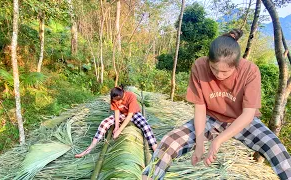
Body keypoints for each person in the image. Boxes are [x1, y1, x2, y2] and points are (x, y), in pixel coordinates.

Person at [142, 29, 291, 180]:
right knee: (170, 142)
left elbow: (248, 114)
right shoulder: (199, 66)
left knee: (276, 149)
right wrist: (199, 144)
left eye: (225, 72)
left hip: (241, 120)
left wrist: (218, 140)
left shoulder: (250, 71)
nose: (219, 76)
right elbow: (200, 107)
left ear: (237, 65)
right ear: (208, 60)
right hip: (210, 118)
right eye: (214, 69)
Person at [75, 86, 157, 158]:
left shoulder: (131, 96)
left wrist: (119, 131)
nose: (116, 103)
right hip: (122, 114)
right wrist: (116, 126)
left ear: (122, 96)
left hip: (134, 113)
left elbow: (129, 116)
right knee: (104, 123)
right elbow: (117, 112)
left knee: (145, 126)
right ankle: (89, 149)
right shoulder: (114, 99)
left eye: (118, 101)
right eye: (114, 101)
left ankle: (155, 148)